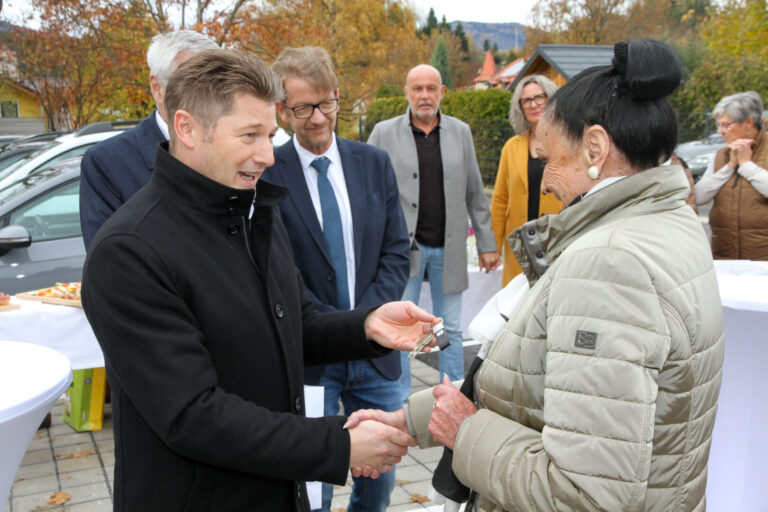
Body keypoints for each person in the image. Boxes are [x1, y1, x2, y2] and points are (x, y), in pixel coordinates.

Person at [350, 39, 724, 511]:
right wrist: (412, 420)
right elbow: (544, 385)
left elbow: (585, 494)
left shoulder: (610, 265)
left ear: (595, 147)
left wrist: (466, 432)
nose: (544, 181)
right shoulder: (667, 223)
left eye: (547, 159)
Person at [80, 48, 440, 512]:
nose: (268, 155)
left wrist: (366, 325)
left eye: (270, 134)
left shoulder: (251, 212)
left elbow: (291, 325)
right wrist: (338, 445)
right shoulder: (128, 252)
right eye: (250, 135)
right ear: (186, 128)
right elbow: (192, 415)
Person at [263, 46, 410, 512]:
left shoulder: (373, 163)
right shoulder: (267, 174)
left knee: (380, 480)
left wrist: (366, 321)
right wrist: (334, 328)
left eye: (326, 102)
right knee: (313, 485)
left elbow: (395, 251)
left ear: (337, 97)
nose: (317, 117)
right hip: (312, 358)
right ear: (283, 110)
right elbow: (276, 271)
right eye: (303, 107)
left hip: (376, 354)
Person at [367, 64, 499, 402]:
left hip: (448, 247)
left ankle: (452, 392)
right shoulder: (384, 132)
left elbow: (475, 193)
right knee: (402, 327)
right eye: (417, 89)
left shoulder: (460, 132)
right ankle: (400, 397)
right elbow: (367, 191)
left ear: (442, 92)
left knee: (448, 328)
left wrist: (487, 244)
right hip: (402, 249)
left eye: (431, 88)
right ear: (407, 93)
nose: (424, 95)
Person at [79, 30, 218, 249]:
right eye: (193, 84)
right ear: (157, 88)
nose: (208, 97)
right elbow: (109, 263)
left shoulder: (235, 151)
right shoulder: (108, 163)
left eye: (216, 86)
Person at [491, 75, 562, 286]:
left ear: (551, 98)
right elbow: (500, 200)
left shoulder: (568, 141)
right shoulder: (511, 147)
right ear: (519, 107)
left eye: (539, 97)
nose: (534, 104)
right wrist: (493, 246)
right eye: (527, 100)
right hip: (520, 246)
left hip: (556, 241)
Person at [694, 91, 768, 260]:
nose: (720, 131)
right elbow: (698, 196)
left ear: (749, 123)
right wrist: (729, 167)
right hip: (725, 257)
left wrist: (747, 165)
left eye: (726, 125)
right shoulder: (722, 154)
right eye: (718, 125)